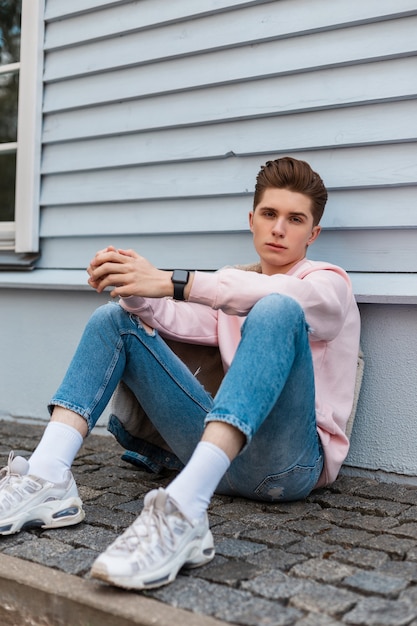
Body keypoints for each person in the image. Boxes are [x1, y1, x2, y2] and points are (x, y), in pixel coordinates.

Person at [0, 157, 360, 591]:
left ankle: (185, 509)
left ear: (313, 233)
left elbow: (286, 298)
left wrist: (176, 281)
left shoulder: (329, 285)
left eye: (295, 219)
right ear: (252, 220)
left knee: (278, 308)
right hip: (224, 461)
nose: (279, 229)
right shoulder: (232, 286)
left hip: (288, 467)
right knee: (114, 320)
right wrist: (133, 286)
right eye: (269, 214)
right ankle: (48, 475)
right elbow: (177, 318)